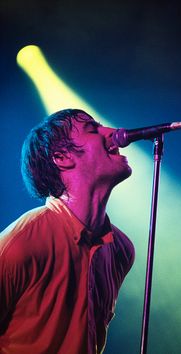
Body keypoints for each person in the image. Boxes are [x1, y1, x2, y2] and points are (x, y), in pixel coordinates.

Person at [0, 109, 135, 354]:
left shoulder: (120, 249)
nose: (113, 133)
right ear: (62, 157)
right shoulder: (20, 244)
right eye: (93, 129)